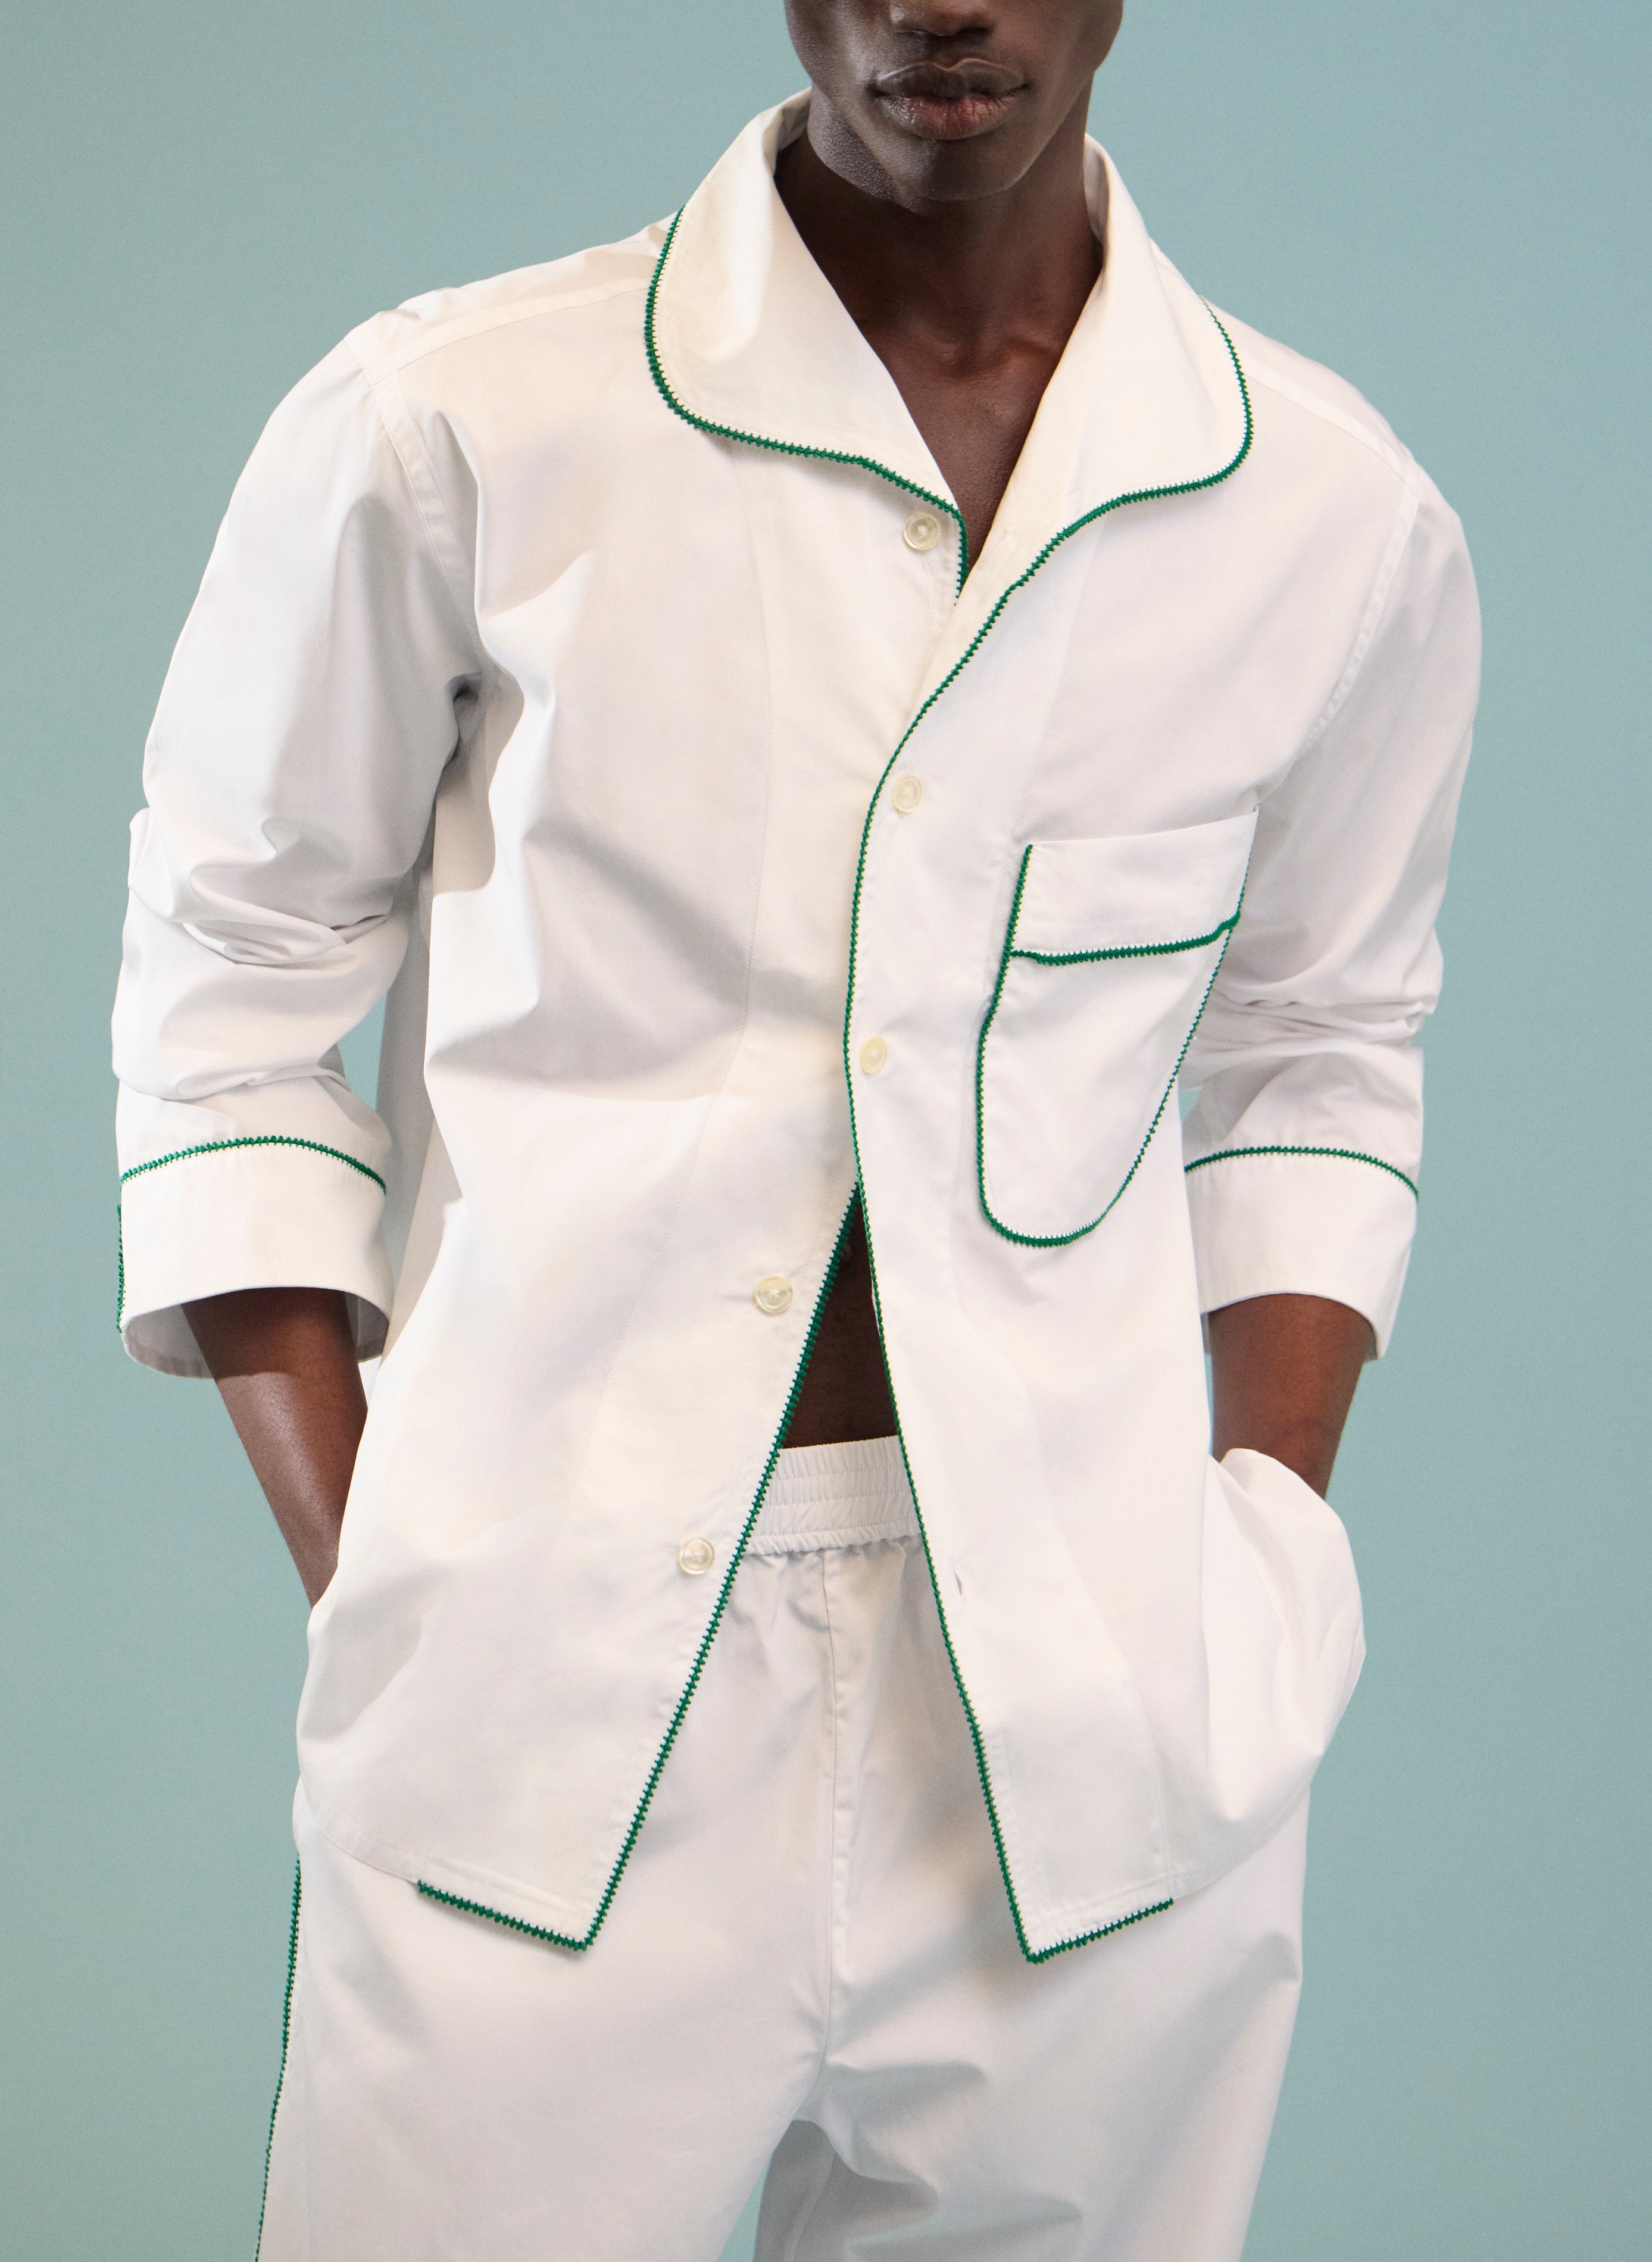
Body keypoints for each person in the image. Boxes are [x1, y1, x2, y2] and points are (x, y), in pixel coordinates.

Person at [112, 3, 1478, 2255]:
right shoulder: (460, 416)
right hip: (537, 1676)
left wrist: (1257, 1537)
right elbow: (228, 986)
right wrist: (383, 1579)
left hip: (1102, 1715)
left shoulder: (1323, 507)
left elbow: (1324, 1035)